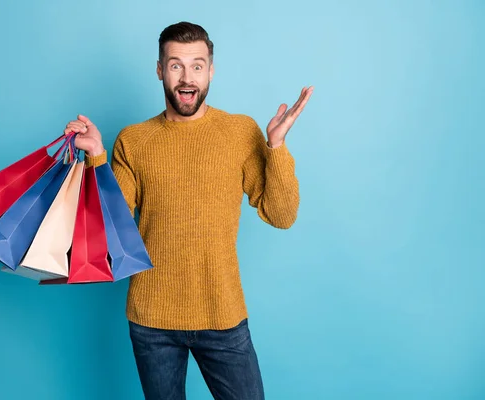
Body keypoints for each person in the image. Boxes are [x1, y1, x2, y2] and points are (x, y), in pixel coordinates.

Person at [64, 21, 313, 400]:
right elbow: (109, 225)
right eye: (176, 65)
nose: (187, 77)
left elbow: (282, 214)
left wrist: (276, 147)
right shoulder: (133, 140)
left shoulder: (240, 133)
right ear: (160, 69)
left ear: (211, 70)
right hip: (151, 321)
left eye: (197, 65)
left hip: (221, 312)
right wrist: (97, 155)